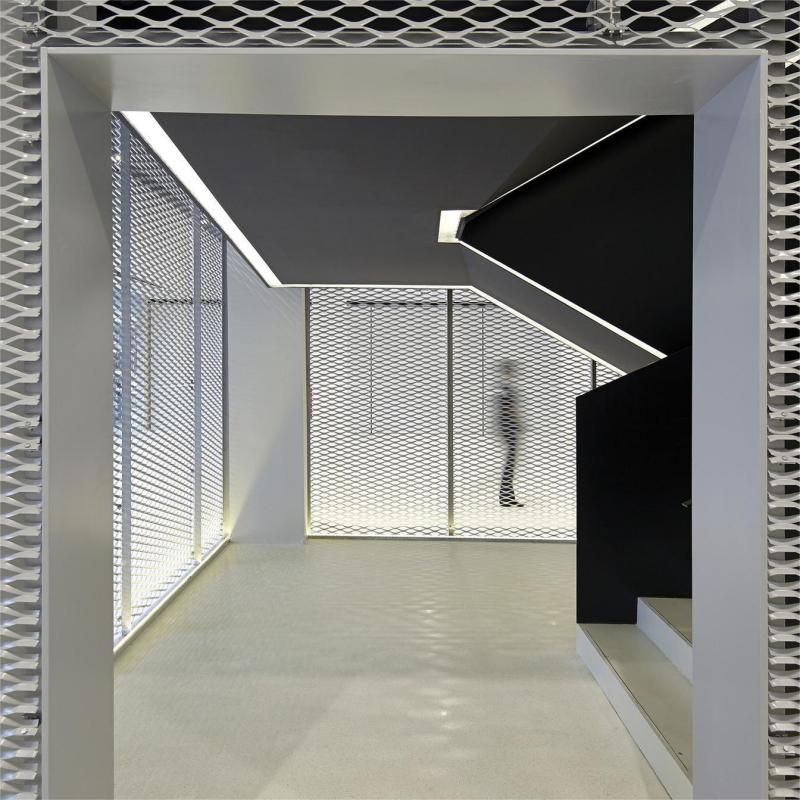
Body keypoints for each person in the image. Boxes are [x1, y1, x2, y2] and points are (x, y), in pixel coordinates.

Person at [495, 359, 524, 507]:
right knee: (510, 464)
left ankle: (508, 496)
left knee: (510, 463)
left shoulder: (503, 388)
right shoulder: (506, 388)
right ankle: (505, 497)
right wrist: (519, 423)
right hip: (509, 428)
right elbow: (509, 408)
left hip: (507, 428)